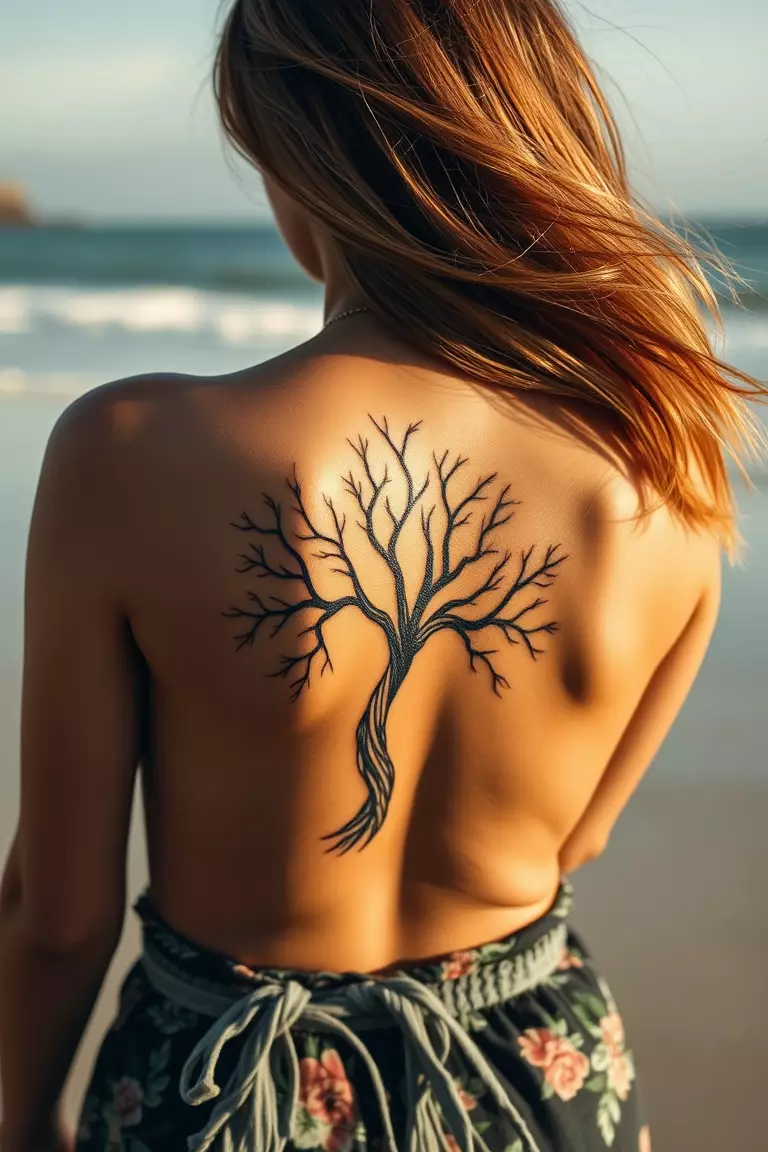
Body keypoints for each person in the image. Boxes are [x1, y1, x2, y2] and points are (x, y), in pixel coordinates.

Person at [0, 2, 765, 1150]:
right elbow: (577, 842)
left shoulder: (130, 452)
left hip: (221, 1087)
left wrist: (17, 1113)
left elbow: (58, 917)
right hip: (530, 1075)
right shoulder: (663, 460)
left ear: (306, 162)